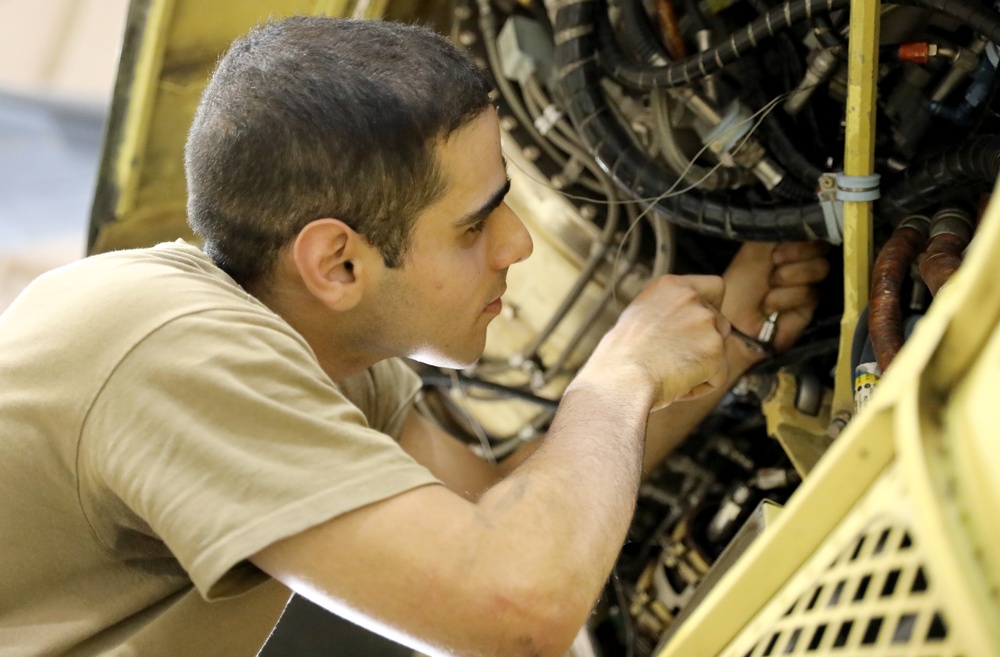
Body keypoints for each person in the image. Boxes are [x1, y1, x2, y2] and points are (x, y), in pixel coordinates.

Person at [0, 15, 828, 657]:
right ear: (337, 261)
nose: (517, 244)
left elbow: (495, 505)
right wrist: (616, 374)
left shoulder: (309, 351)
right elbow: (513, 609)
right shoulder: (165, 344)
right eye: (474, 226)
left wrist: (718, 344)